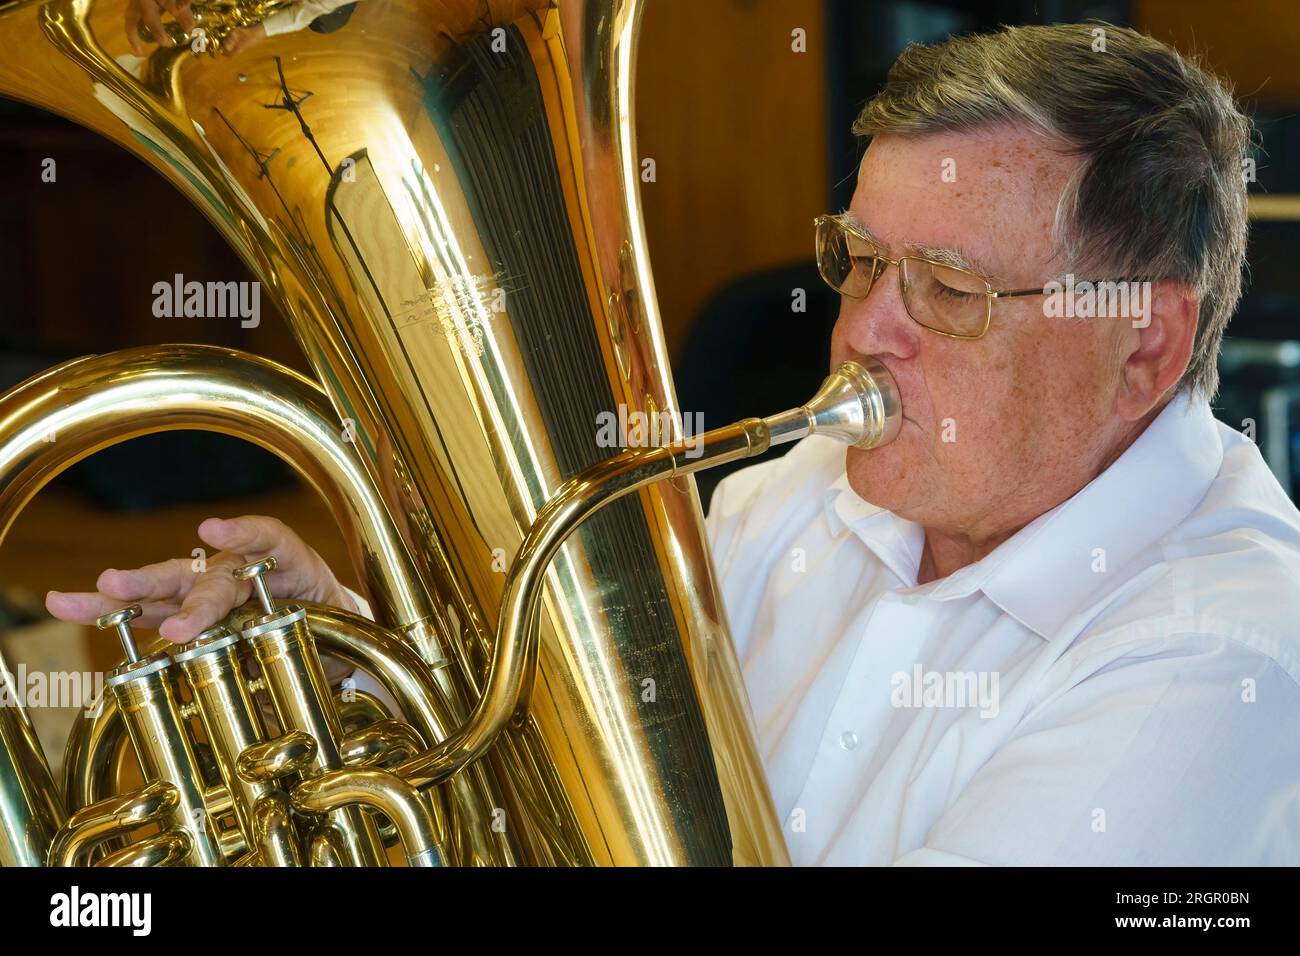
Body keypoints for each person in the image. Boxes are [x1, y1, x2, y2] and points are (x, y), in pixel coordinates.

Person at [48, 23, 1300, 865]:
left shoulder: (1227, 656)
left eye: (948, 289)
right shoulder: (806, 493)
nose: (860, 330)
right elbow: (570, 742)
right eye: (857, 259)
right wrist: (355, 675)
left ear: (1141, 340)